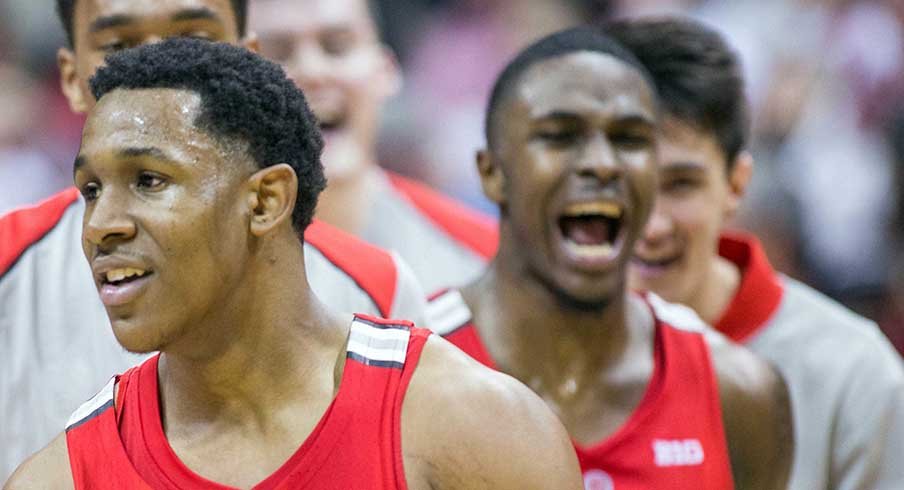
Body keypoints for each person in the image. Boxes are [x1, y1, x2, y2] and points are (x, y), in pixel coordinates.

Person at [4, 38, 582, 490]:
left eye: (149, 181)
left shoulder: (472, 427)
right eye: (91, 189)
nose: (102, 224)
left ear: (264, 201)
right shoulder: (58, 478)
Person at [0, 0, 427, 481]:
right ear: (71, 77)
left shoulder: (382, 291)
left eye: (193, 41)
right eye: (118, 47)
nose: (157, 70)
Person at [426, 27, 793, 489]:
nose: (603, 163)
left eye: (629, 138)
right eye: (560, 136)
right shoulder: (403, 377)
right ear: (492, 173)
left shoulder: (739, 393)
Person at [609, 16, 904, 489]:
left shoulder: (852, 374)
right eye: (623, 184)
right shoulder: (521, 357)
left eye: (680, 185)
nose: (652, 225)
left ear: (735, 184)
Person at [250, 0, 498, 293]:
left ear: (386, 71)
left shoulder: (487, 259)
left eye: (337, 46)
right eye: (279, 53)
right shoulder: (203, 260)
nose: (313, 71)